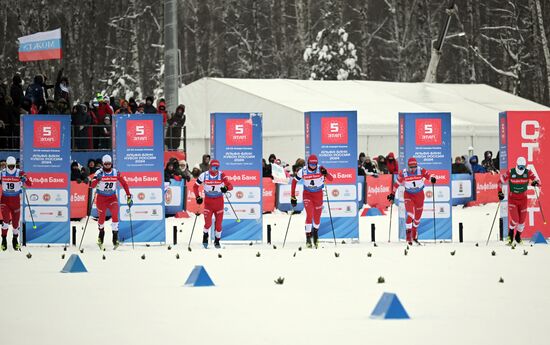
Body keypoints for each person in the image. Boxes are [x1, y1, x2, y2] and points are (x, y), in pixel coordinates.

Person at [387, 157, 436, 246]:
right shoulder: (404, 173)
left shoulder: (421, 170)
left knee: (417, 219)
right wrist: (392, 194)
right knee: (410, 214)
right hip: (408, 195)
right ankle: (408, 236)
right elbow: (396, 184)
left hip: (419, 196)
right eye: (411, 167)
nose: (413, 169)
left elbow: (429, 176)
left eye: (414, 166)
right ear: (408, 166)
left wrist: (432, 179)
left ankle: (414, 232)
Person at [90, 155, 132, 250]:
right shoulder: (99, 172)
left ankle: (115, 237)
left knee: (115, 213)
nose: (108, 165)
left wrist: (128, 195)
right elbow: (91, 186)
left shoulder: (115, 172)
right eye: (106, 164)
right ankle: (101, 234)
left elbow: (124, 183)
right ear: (103, 164)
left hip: (112, 197)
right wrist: (97, 179)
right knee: (102, 217)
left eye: (109, 163)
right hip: (101, 198)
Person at [290, 154, 333, 248]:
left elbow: (331, 179)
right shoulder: (303, 171)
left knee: (317, 218)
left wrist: (326, 173)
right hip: (307, 194)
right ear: (308, 163)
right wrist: (293, 197)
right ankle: (308, 237)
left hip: (318, 195)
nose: (313, 166)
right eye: (311, 164)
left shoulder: (320, 169)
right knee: (309, 214)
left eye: (314, 164)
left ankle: (315, 233)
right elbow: (294, 181)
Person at [498, 156, 540, 245]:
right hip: (513, 199)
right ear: (517, 165)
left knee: (522, 221)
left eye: (523, 167)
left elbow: (538, 181)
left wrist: (535, 182)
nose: (521, 169)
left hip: (523, 200)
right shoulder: (511, 172)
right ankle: (510, 234)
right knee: (515, 219)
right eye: (520, 167)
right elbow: (500, 181)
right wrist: (500, 192)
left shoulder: (528, 172)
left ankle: (518, 237)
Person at [193, 159, 233, 248]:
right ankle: (205, 235)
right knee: (208, 224)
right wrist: (197, 197)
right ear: (210, 167)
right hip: (208, 203)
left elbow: (231, 186)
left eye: (217, 168)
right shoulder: (204, 175)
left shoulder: (221, 175)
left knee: (218, 225)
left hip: (219, 202)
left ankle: (217, 241)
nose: (215, 169)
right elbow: (195, 187)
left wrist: (226, 188)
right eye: (214, 167)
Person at [0, 156, 32, 251]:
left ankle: (15, 240)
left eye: (12, 166)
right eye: (9, 166)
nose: (10, 168)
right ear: (6, 165)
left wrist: (24, 179)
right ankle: (4, 240)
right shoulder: (2, 173)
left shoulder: (20, 173)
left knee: (15, 224)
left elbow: (30, 184)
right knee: (5, 222)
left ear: (15, 165)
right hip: (5, 201)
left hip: (16, 202)